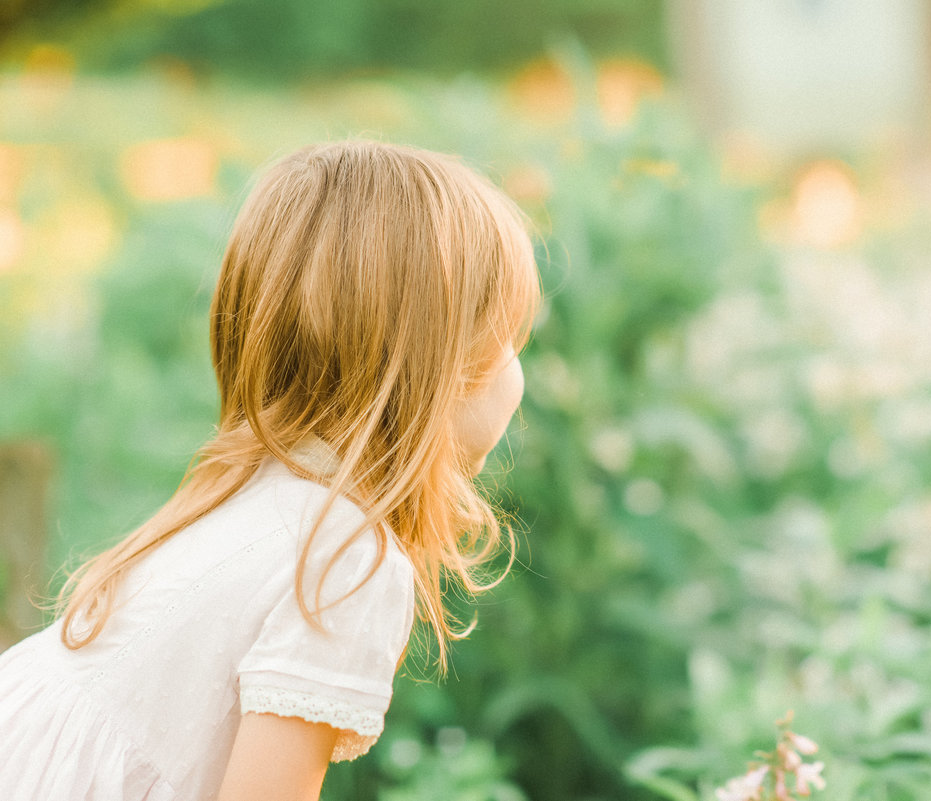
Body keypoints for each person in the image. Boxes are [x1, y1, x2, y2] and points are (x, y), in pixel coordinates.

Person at [0, 140, 541, 801]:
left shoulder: (251, 497)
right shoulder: (345, 560)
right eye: (512, 339)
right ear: (443, 367)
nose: (520, 370)